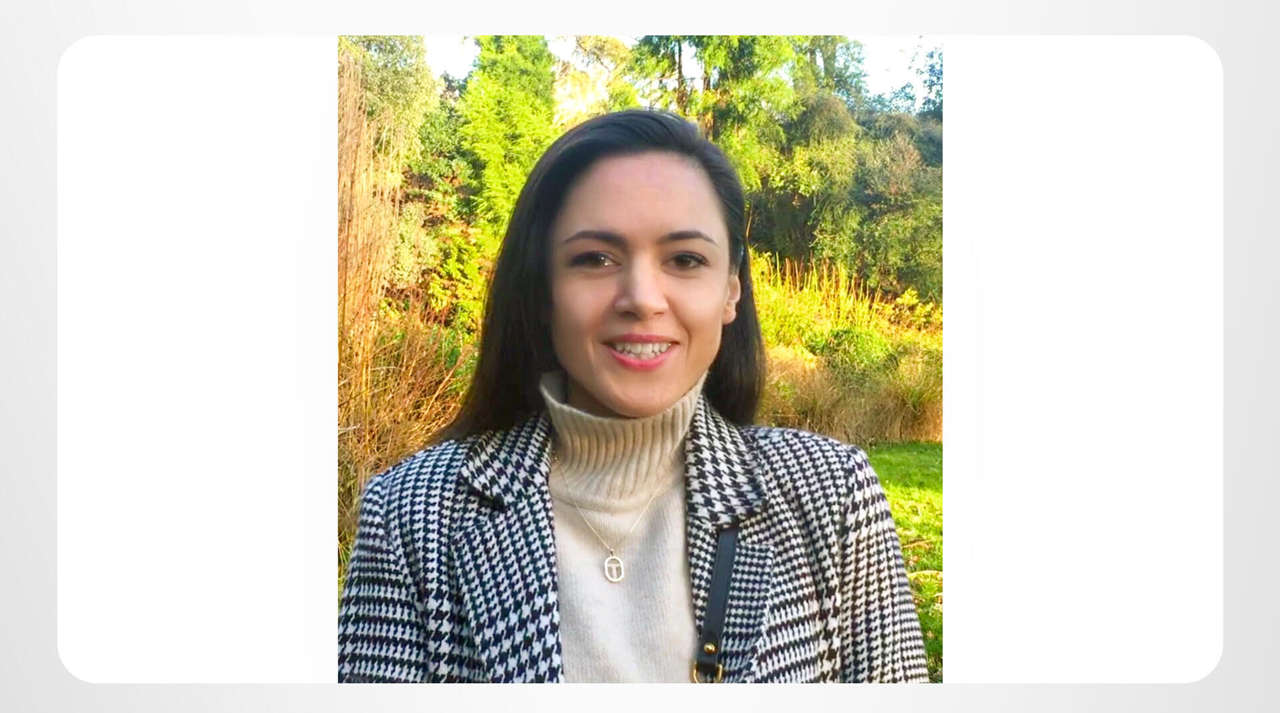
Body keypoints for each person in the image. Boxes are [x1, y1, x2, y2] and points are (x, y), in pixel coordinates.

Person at [337, 109, 929, 683]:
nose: (642, 298)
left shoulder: (832, 498)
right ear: (542, 290)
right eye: (595, 258)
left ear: (730, 291)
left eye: (685, 259)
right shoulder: (411, 515)